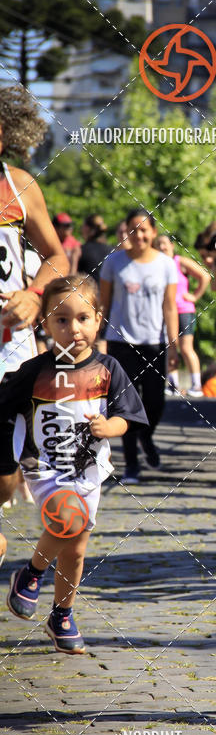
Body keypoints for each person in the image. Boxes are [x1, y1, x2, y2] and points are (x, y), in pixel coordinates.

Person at [2, 275, 147, 652]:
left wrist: (107, 426)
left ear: (99, 319)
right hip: (43, 466)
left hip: (90, 470)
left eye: (83, 318)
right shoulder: (34, 371)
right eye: (61, 320)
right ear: (45, 325)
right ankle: (32, 573)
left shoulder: (108, 369)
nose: (73, 328)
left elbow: (126, 416)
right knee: (69, 519)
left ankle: (61, 613)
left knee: (77, 548)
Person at [0, 85, 69, 567]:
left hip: (9, 349)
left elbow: (57, 255)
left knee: (5, 472)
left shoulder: (19, 185)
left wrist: (32, 293)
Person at [99, 208, 178, 484]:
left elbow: (170, 306)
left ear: (154, 232)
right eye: (134, 229)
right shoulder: (114, 262)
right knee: (125, 405)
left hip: (154, 344)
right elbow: (104, 304)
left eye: (144, 229)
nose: (139, 235)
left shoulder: (166, 264)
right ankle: (131, 465)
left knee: (156, 402)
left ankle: (147, 435)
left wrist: (174, 344)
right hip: (120, 342)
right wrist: (99, 338)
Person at [155, 234, 210, 398]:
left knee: (186, 348)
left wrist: (194, 296)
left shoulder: (180, 261)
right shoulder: (156, 265)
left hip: (184, 310)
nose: (162, 247)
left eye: (164, 243)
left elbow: (205, 276)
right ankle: (173, 385)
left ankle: (196, 385)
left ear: (172, 245)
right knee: (170, 348)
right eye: (158, 244)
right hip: (165, 311)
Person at [79, 214, 112, 286]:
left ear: (87, 228)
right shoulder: (112, 251)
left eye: (83, 226)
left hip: (87, 294)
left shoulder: (80, 251)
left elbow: (73, 277)